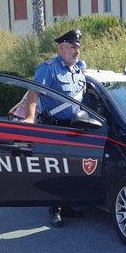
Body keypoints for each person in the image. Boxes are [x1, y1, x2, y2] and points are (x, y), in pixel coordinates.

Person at [22, 28, 86, 228]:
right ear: (61, 48)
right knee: (56, 170)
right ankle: (54, 209)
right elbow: (34, 94)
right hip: (54, 127)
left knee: (71, 169)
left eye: (78, 47)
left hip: (75, 128)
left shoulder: (78, 70)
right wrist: (29, 119)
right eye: (72, 47)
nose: (76, 51)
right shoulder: (49, 68)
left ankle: (66, 205)